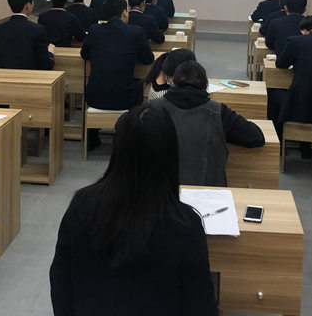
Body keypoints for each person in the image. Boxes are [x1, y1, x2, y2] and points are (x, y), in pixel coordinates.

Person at [49, 103, 217, 315]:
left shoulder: (82, 205)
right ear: (170, 155)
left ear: (118, 149)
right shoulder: (185, 224)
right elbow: (200, 304)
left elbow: (61, 283)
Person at [151, 61, 265, 186]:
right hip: (209, 192)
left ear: (173, 83)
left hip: (161, 190)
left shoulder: (152, 109)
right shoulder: (219, 112)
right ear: (205, 86)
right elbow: (256, 137)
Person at [81, 0, 154, 150]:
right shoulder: (136, 32)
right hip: (124, 98)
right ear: (124, 13)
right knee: (139, 84)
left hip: (95, 96)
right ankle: (129, 136)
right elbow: (148, 59)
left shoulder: (94, 30)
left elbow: (84, 55)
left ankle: (92, 137)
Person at [0, 0, 55, 70]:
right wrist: (50, 53)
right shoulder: (38, 30)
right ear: (28, 5)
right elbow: (46, 65)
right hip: (30, 76)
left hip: (3, 77)